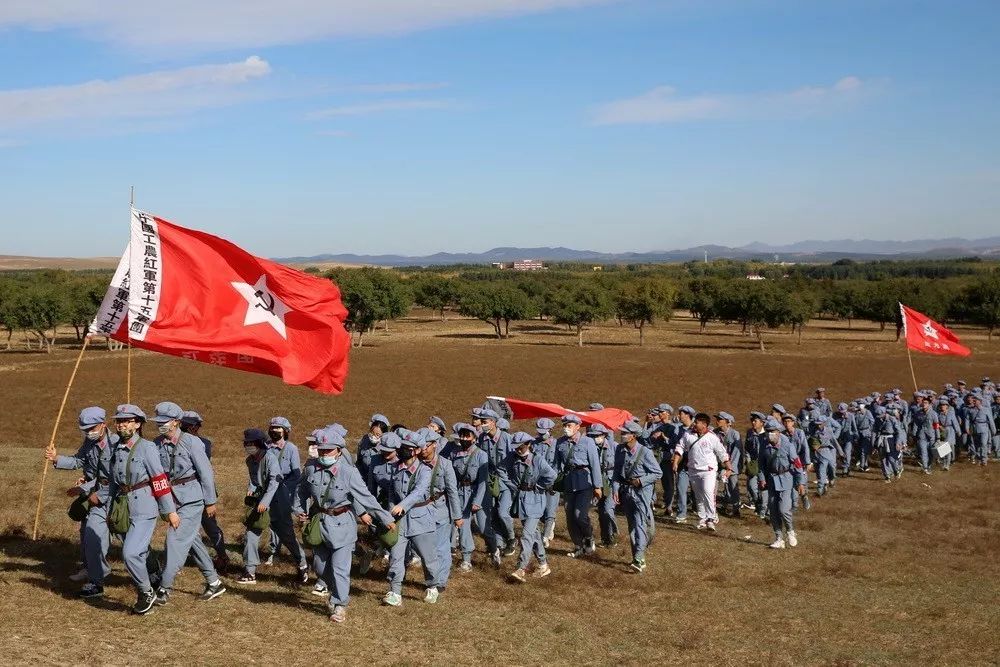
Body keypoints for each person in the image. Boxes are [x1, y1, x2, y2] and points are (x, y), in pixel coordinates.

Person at [294, 428, 394, 623]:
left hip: (343, 525)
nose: (323, 454)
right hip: (319, 523)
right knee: (320, 566)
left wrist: (384, 517)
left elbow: (366, 497)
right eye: (321, 450)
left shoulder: (349, 472)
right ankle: (335, 592)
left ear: (339, 450)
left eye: (328, 450)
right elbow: (301, 490)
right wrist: (299, 510)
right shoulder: (311, 468)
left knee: (340, 568)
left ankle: (340, 605)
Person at [149, 402, 225, 606]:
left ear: (175, 422)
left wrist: (210, 501)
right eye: (158, 422)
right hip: (172, 499)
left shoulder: (192, 442)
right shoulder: (156, 443)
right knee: (192, 541)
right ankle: (214, 582)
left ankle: (164, 589)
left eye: (164, 422)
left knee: (174, 540)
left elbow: (206, 473)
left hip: (192, 498)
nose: (161, 426)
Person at [107, 404, 180, 615]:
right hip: (122, 506)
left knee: (129, 553)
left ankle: (146, 591)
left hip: (143, 506)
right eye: (119, 421)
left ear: (138, 424)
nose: (122, 425)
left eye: (127, 420)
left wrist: (170, 511)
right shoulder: (115, 447)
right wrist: (110, 508)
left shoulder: (147, 448)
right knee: (138, 549)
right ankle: (153, 569)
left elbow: (159, 480)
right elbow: (114, 481)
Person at [44, 406, 118, 597]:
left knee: (130, 542)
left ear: (103, 424)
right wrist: (56, 458)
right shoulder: (88, 441)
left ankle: (152, 572)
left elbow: (114, 478)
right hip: (94, 498)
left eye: (92, 428)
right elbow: (79, 461)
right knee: (89, 534)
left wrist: (85, 487)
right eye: (85, 429)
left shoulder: (117, 443)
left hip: (116, 499)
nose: (89, 432)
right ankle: (95, 576)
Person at [237, 428, 307, 585]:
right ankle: (250, 571)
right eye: (246, 443)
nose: (248, 446)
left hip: (277, 501)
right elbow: (255, 481)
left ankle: (302, 564)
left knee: (287, 536)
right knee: (251, 534)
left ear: (259, 444)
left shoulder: (270, 458)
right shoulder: (250, 461)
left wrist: (265, 502)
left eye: (251, 443)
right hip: (261, 502)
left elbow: (274, 481)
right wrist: (252, 490)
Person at [383, 431, 442, 607]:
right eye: (401, 448)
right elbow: (392, 492)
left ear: (416, 450)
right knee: (396, 556)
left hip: (420, 518)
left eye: (407, 449)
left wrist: (403, 505)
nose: (402, 451)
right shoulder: (396, 468)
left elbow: (418, 492)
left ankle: (432, 585)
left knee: (428, 556)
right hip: (400, 520)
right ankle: (395, 591)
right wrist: (390, 511)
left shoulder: (424, 470)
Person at [504, 431, 557, 582]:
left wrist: (540, 486)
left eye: (520, 447)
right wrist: (512, 485)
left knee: (526, 535)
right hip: (521, 502)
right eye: (515, 447)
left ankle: (521, 568)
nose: (517, 450)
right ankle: (543, 565)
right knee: (534, 535)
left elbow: (552, 476)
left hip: (535, 502)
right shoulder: (512, 458)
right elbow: (501, 470)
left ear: (528, 445)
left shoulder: (538, 460)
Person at [180, 410, 228, 572]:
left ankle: (222, 555)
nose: (186, 427)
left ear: (195, 427)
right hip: (183, 492)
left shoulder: (204, 443)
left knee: (210, 526)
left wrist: (210, 499)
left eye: (189, 425)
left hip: (202, 491)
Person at [612, 420, 662, 573]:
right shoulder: (619, 449)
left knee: (639, 523)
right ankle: (638, 557)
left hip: (641, 492)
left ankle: (639, 557)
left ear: (633, 436)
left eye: (625, 433)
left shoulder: (645, 452)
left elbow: (657, 472)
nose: (622, 435)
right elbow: (616, 472)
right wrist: (615, 489)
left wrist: (641, 481)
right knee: (632, 525)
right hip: (626, 492)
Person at [418, 427, 462, 590]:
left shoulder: (445, 464)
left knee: (441, 547)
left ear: (434, 445)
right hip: (420, 511)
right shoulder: (416, 463)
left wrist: (457, 516)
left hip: (439, 510)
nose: (423, 450)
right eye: (420, 446)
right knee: (426, 549)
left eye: (426, 446)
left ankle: (440, 581)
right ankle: (431, 578)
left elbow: (452, 491)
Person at [672, 412, 732, 531]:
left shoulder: (712, 437)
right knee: (698, 496)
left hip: (708, 470)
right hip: (693, 470)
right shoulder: (688, 434)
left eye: (697, 422)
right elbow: (680, 447)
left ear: (704, 424)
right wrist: (675, 462)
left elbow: (722, 453)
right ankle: (702, 518)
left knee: (708, 492)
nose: (694, 424)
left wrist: (729, 468)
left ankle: (711, 518)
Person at [447, 423, 494, 572]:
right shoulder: (454, 453)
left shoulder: (481, 455)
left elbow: (482, 482)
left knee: (482, 527)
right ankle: (465, 559)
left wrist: (477, 502)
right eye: (462, 435)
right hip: (459, 492)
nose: (464, 438)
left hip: (475, 493)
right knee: (461, 523)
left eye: (467, 436)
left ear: (474, 438)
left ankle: (494, 548)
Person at [554, 414, 602, 557]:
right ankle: (578, 546)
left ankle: (588, 537)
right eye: (564, 425)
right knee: (569, 516)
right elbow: (557, 465)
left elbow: (595, 464)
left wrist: (597, 486)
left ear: (577, 427)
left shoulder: (588, 442)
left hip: (584, 482)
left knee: (579, 515)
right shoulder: (560, 442)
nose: (565, 428)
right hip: (569, 482)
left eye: (569, 425)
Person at [758, 418, 806, 549]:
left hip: (786, 479)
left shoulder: (787, 445)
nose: (769, 434)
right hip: (771, 480)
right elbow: (761, 464)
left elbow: (797, 464)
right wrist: (762, 479)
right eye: (767, 431)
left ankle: (790, 531)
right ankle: (779, 538)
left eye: (772, 431)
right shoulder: (763, 444)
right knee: (773, 511)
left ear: (778, 432)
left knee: (784, 510)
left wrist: (800, 482)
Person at [264, 417, 304, 568]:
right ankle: (274, 551)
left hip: (283, 491)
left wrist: (286, 489)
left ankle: (295, 554)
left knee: (282, 523)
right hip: (268, 490)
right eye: (272, 428)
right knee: (272, 523)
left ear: (285, 431)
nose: (274, 431)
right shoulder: (265, 447)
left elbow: (296, 475)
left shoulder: (291, 448)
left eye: (278, 428)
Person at [478, 409, 515, 564]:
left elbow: (515, 459)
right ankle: (499, 543)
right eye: (482, 422)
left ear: (493, 422)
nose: (482, 425)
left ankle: (512, 538)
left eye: (485, 422)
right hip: (490, 481)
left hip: (506, 482)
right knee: (492, 515)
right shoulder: (482, 438)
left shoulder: (507, 438)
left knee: (503, 512)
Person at [589, 424, 619, 547]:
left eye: (597, 435)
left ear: (604, 435)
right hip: (597, 482)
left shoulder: (615, 446)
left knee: (608, 510)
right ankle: (607, 539)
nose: (595, 438)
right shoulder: (591, 447)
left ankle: (614, 532)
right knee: (601, 512)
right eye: (593, 436)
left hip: (611, 482)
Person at [532, 418, 560, 547]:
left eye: (544, 432)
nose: (541, 435)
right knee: (539, 511)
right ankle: (549, 523)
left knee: (550, 510)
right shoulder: (533, 444)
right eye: (540, 432)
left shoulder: (558, 444)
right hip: (538, 483)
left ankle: (545, 536)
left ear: (550, 431)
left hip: (553, 483)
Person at [714, 412, 742, 517]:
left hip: (732, 465)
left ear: (728, 422)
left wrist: (730, 469)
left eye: (720, 419)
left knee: (732, 486)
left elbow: (736, 453)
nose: (717, 421)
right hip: (718, 465)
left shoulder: (735, 434)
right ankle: (715, 508)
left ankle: (736, 509)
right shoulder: (714, 433)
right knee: (714, 487)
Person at [744, 412, 769, 519]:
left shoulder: (768, 434)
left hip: (766, 465)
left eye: (756, 421)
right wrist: (749, 462)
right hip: (754, 464)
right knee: (751, 486)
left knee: (764, 488)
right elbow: (747, 448)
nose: (753, 423)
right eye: (752, 421)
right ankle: (758, 503)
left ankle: (763, 510)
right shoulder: (750, 433)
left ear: (762, 423)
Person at [910, 395, 941, 475]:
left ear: (930, 404)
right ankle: (925, 468)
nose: (924, 404)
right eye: (923, 403)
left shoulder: (933, 414)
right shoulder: (918, 413)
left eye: (926, 403)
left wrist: (938, 437)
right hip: (922, 436)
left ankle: (929, 465)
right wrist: (914, 433)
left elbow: (936, 426)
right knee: (924, 452)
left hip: (931, 436)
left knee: (931, 453)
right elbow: (916, 424)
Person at [357, 414, 390, 481]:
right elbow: (359, 461)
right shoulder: (364, 440)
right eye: (372, 433)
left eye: (378, 435)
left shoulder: (387, 447)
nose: (374, 437)